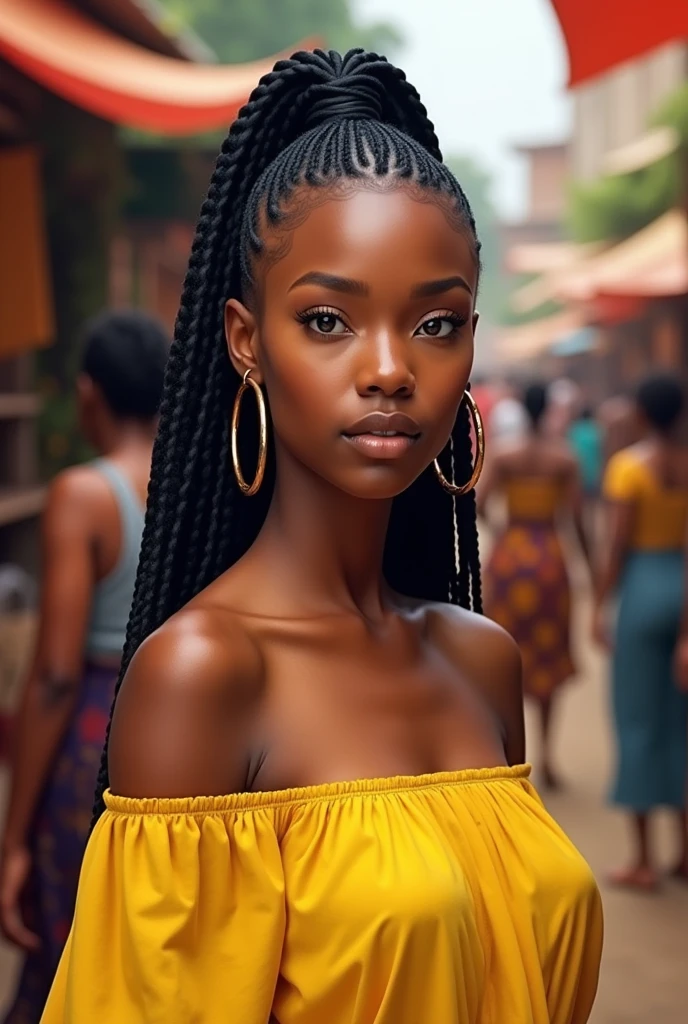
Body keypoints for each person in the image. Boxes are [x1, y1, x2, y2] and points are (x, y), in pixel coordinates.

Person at [42, 50, 602, 1024]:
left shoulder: (482, 659)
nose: (389, 369)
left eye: (435, 323)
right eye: (330, 318)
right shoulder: (205, 676)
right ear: (245, 338)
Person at [0, 311, 168, 1021]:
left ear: (89, 393)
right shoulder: (198, 487)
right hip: (175, 734)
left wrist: (13, 836)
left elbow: (56, 674)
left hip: (95, 735)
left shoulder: (85, 495)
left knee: (71, 949)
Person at [595, 373, 688, 889]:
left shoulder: (629, 468)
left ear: (644, 413)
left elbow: (615, 547)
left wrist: (597, 606)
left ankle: (643, 860)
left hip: (643, 589)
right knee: (680, 724)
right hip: (681, 588)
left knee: (636, 721)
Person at [479, 382, 590, 790]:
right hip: (549, 561)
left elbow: (480, 503)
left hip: (511, 557)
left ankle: (508, 755)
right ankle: (547, 758)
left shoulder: (506, 454)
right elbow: (577, 521)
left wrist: (502, 533)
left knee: (505, 656)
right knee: (547, 657)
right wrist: (590, 570)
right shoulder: (565, 457)